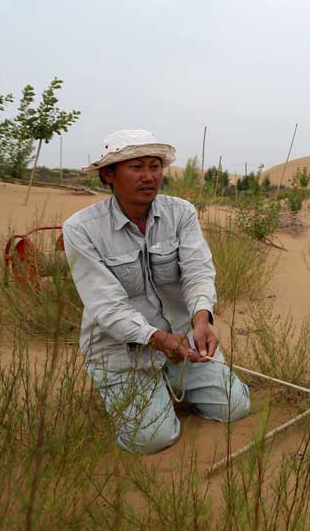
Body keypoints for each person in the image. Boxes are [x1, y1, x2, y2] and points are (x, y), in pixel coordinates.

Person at [63, 129, 250, 454]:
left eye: (155, 166)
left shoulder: (181, 213)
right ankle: (134, 390)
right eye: (136, 167)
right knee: (152, 440)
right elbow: (107, 306)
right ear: (109, 175)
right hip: (123, 352)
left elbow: (198, 271)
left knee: (235, 407)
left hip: (184, 342)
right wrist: (158, 340)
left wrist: (201, 320)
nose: (149, 176)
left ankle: (168, 385)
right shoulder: (81, 229)